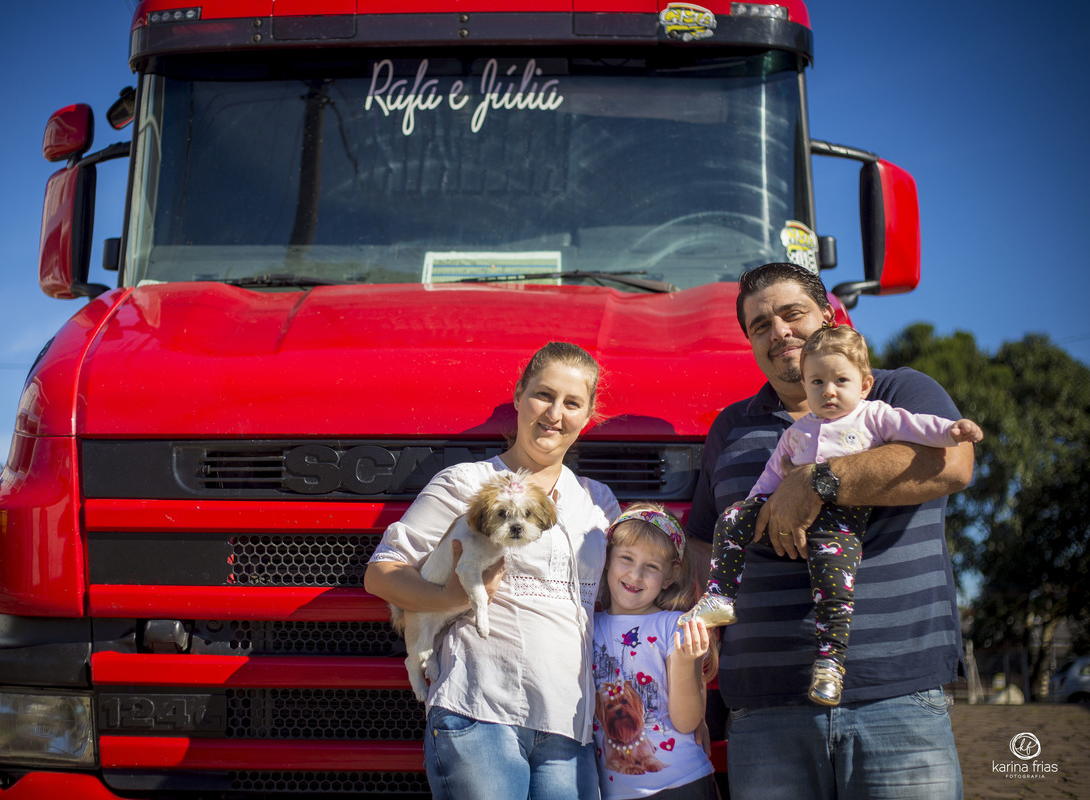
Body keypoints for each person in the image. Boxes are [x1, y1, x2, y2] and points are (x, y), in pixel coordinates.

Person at [685, 262, 972, 799]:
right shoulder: (731, 426)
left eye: (792, 314)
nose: (779, 332)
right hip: (764, 712)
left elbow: (954, 464)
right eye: (759, 325)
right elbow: (702, 539)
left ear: (828, 314)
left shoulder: (897, 391)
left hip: (894, 699)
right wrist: (701, 640)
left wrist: (816, 483)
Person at [364, 341, 620, 800]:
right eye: (543, 395)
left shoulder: (598, 502)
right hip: (479, 710)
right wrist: (453, 599)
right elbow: (381, 574)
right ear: (519, 396)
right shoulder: (464, 483)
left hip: (570, 724)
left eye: (572, 403)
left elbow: (617, 604)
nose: (554, 414)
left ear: (588, 415)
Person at [682, 324, 983, 706]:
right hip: (761, 674)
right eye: (818, 382)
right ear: (805, 386)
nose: (829, 390)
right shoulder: (798, 432)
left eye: (841, 380)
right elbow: (770, 476)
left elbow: (919, 428)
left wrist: (953, 430)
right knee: (728, 520)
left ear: (864, 385)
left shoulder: (876, 415)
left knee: (834, 587)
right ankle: (721, 595)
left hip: (840, 525)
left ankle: (830, 661)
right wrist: (754, 510)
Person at [593, 503, 718, 800]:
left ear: (671, 575)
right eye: (626, 558)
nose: (635, 575)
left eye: (651, 566)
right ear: (607, 559)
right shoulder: (587, 625)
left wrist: (686, 662)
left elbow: (687, 722)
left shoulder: (674, 626)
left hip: (682, 785)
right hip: (612, 792)